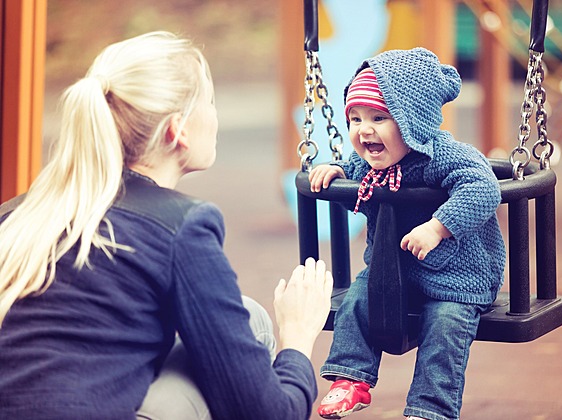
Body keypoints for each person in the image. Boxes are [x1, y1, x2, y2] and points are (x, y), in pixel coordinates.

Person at [0, 31, 334, 420]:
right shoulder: (181, 227)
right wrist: (296, 337)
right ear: (178, 129)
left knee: (244, 314)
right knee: (256, 326)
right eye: (209, 101)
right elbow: (271, 413)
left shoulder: (17, 215)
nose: (215, 112)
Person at [308, 48, 506, 420]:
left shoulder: (445, 156)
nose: (364, 130)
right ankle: (351, 380)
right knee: (356, 301)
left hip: (459, 277)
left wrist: (438, 226)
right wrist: (335, 170)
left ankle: (429, 409)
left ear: (412, 120)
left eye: (379, 117)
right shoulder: (370, 160)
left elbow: (483, 188)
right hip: (392, 271)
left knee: (445, 329)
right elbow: (350, 168)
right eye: (355, 118)